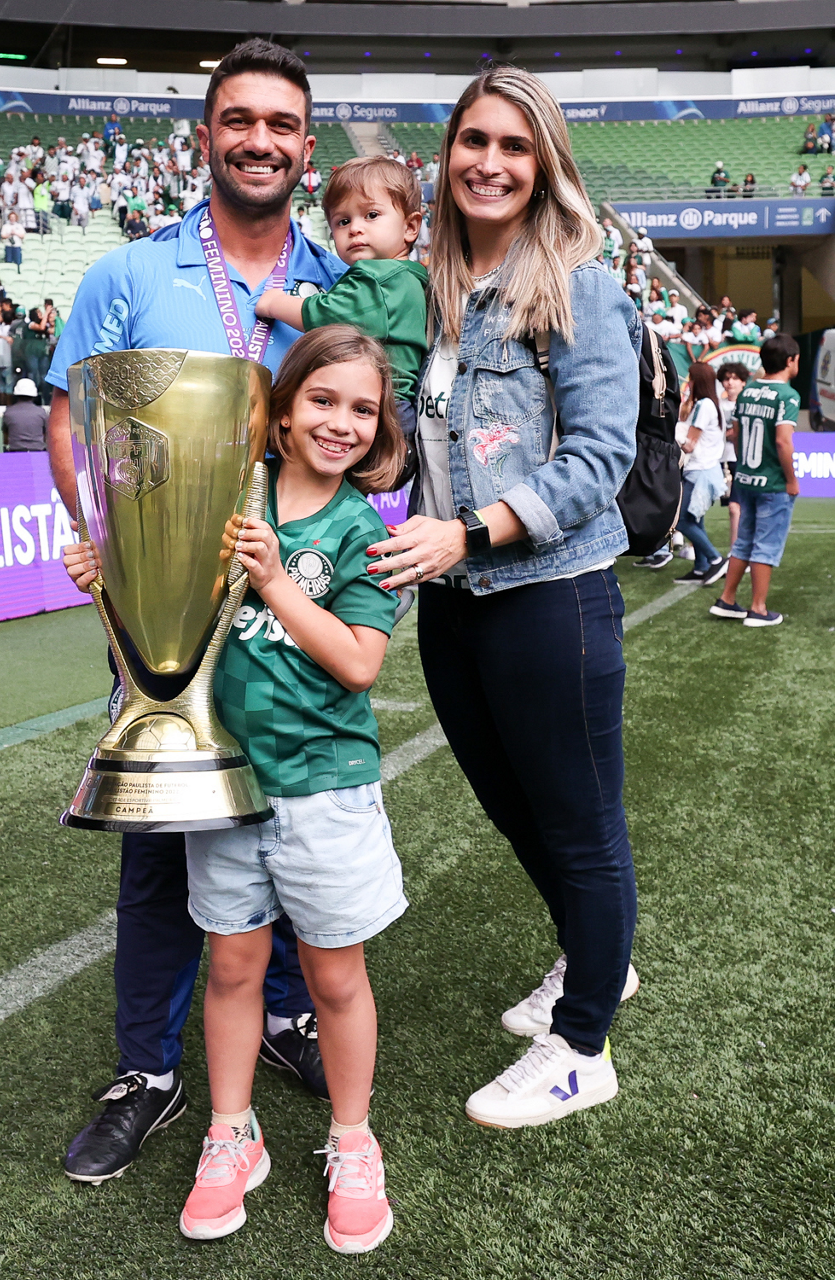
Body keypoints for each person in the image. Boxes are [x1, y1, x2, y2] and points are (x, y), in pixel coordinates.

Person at [46, 37, 349, 1186]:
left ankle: (285, 1013)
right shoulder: (129, 274)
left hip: (291, 596)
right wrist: (109, 554)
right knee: (162, 832)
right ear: (206, 135)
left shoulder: (339, 282)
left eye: (280, 125)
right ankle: (148, 1069)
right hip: (164, 599)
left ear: (305, 146)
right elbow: (72, 417)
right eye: (239, 120)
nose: (259, 141)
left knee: (294, 807)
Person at [65, 326, 405, 1254]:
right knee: (231, 968)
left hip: (325, 792)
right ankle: (230, 1133)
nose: (340, 423)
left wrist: (276, 583)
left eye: (362, 409)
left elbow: (358, 663)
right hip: (225, 790)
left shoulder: (360, 533)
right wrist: (109, 583)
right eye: (322, 401)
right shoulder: (221, 499)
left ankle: (352, 1139)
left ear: (379, 428)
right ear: (279, 411)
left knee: (334, 977)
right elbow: (167, 637)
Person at [372, 64, 641, 1129]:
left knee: (580, 824)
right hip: (453, 599)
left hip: (548, 595)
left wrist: (473, 528)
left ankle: (581, 1047)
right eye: (473, 141)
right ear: (446, 154)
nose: (488, 162)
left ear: (545, 164)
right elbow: (421, 446)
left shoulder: (579, 285)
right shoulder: (430, 289)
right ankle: (595, 954)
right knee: (513, 805)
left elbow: (599, 458)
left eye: (514, 146)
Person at [256, 155, 427, 476]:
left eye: (371, 215)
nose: (355, 229)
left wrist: (274, 303)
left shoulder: (377, 277)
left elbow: (326, 315)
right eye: (342, 221)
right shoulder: (411, 277)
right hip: (401, 412)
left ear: (410, 227)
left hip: (384, 410)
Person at [710, 334, 801, 627]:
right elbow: (783, 442)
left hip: (746, 478)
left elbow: (736, 435)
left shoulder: (748, 392)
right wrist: (791, 480)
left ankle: (727, 599)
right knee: (765, 545)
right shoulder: (788, 396)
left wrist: (744, 469)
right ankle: (758, 609)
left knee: (743, 541)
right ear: (790, 361)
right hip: (772, 483)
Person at [673, 362, 728, 586]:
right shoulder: (709, 404)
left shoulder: (705, 406)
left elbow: (689, 445)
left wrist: (673, 434)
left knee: (681, 521)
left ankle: (715, 559)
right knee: (695, 520)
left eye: (691, 379)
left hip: (700, 471)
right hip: (703, 470)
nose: (688, 383)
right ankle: (701, 567)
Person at [716, 360, 750, 548]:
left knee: (735, 507)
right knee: (698, 506)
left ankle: (735, 549)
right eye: (727, 378)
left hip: (739, 460)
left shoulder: (748, 406)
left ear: (743, 381)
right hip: (717, 460)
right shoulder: (717, 405)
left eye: (735, 378)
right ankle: (693, 545)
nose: (730, 382)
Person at [1, 377, 47, 451]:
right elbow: (46, 435)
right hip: (37, 452)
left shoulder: (8, 412)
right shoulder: (41, 412)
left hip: (15, 453)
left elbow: (5, 438)